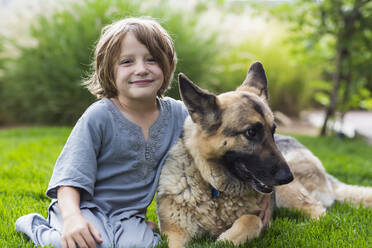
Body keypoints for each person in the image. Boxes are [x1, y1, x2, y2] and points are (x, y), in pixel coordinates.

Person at [15, 16, 188, 248]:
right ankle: (35, 226)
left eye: (152, 59)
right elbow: (69, 179)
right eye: (127, 62)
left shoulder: (178, 114)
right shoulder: (99, 116)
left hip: (128, 215)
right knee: (88, 244)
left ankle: (139, 230)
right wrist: (72, 218)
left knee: (141, 246)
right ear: (109, 71)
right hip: (83, 207)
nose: (141, 69)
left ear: (167, 65)